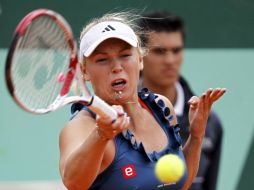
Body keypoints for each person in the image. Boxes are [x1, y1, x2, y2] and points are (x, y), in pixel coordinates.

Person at [59, 12, 226, 190]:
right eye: (102, 59)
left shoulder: (162, 108)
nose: (116, 67)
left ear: (140, 60)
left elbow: (179, 184)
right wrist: (101, 134)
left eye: (125, 55)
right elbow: (74, 183)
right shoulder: (80, 127)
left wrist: (196, 135)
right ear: (84, 71)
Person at [137, 11, 224, 190]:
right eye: (159, 51)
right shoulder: (117, 116)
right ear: (140, 56)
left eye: (176, 51)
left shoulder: (210, 122)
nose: (170, 60)